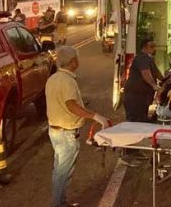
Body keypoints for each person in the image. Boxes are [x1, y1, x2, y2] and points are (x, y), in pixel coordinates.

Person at [45, 46, 110, 207]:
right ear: (73, 62)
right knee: (64, 171)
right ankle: (58, 203)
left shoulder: (52, 78)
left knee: (58, 169)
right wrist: (95, 116)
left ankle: (59, 200)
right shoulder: (67, 81)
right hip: (67, 133)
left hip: (55, 130)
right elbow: (71, 105)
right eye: (77, 59)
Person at [123, 39, 163, 122]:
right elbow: (145, 73)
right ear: (144, 48)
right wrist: (155, 86)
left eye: (155, 46)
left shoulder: (149, 59)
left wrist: (165, 80)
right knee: (136, 122)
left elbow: (157, 73)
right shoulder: (142, 58)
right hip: (136, 97)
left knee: (141, 119)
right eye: (151, 47)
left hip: (141, 97)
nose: (154, 49)